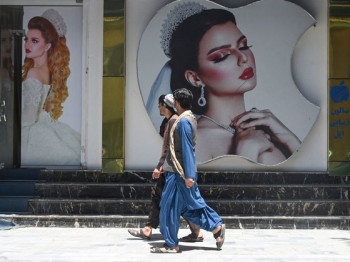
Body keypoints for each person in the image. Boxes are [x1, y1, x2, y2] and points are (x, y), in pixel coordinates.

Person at [148, 3, 301, 165]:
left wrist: (290, 139)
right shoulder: (192, 141)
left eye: (244, 46)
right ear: (195, 78)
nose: (243, 58)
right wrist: (246, 151)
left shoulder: (266, 126)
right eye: (221, 56)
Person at [150, 88, 225, 254]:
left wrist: (189, 175)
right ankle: (216, 227)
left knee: (169, 207)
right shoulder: (187, 118)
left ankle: (171, 245)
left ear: (177, 102)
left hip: (178, 174)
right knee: (189, 207)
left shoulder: (183, 121)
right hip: (177, 172)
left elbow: (187, 149)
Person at [128, 94, 203, 242]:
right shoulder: (169, 121)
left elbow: (171, 148)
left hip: (173, 168)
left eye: (159, 104)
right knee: (167, 198)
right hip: (171, 167)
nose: (158, 107)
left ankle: (204, 229)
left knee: (166, 198)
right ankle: (195, 231)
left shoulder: (175, 121)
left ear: (165, 105)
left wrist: (159, 166)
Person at [21, 9, 80, 165]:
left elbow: (28, 118)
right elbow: (48, 109)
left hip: (32, 132)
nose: (27, 44)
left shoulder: (34, 72)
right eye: (26, 39)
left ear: (47, 46)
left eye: (34, 41)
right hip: (47, 125)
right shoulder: (50, 70)